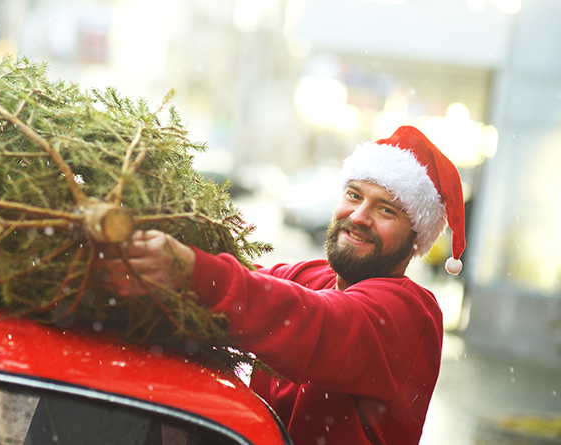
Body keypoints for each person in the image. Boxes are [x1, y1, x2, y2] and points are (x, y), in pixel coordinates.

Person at [98, 126, 466, 445]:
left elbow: (311, 324)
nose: (358, 216)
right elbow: (254, 283)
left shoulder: (409, 314)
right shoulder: (314, 276)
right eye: (354, 195)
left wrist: (192, 270)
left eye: (386, 210)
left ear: (415, 237)